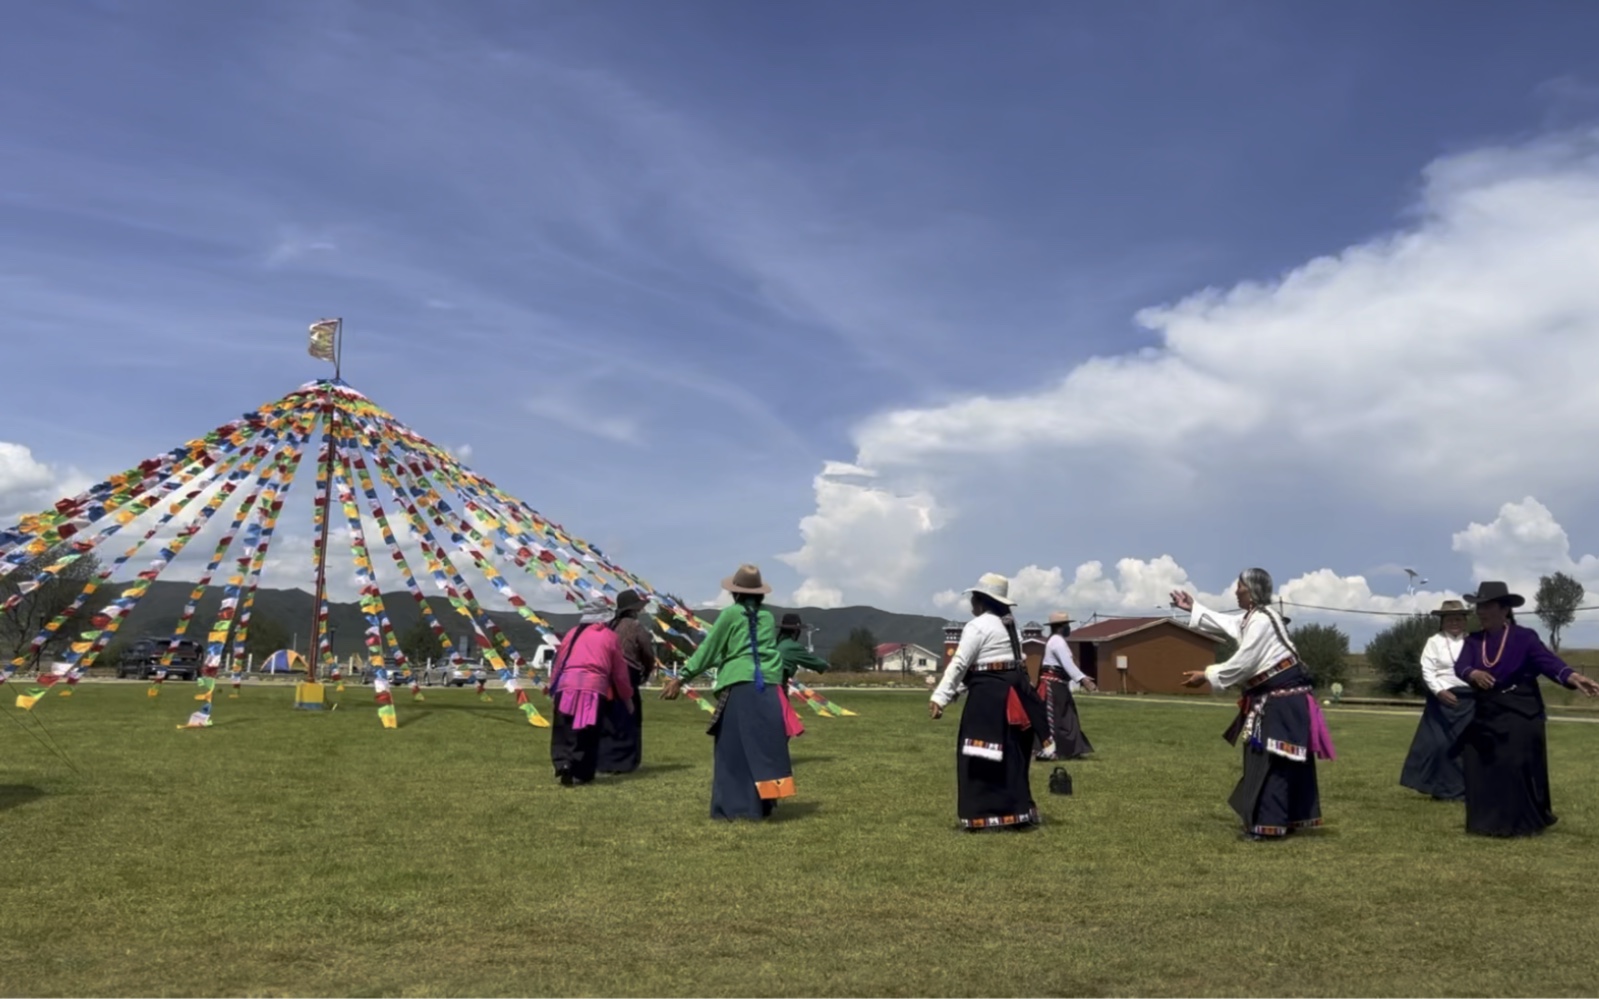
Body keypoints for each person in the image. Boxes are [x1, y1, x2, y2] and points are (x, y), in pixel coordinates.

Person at [1172, 568, 1336, 840]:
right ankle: (1285, 819)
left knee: (1272, 761)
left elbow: (1244, 662)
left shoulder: (1261, 620)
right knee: (1281, 760)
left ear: (1252, 590)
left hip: (1281, 702)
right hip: (1280, 700)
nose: (1235, 591)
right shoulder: (1254, 618)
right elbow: (1228, 624)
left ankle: (1269, 826)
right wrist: (1194, 609)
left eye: (1240, 586)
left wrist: (1207, 675)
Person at [1452, 581, 1599, 836]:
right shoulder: (1474, 641)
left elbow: (1548, 662)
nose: (1480, 612)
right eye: (1478, 607)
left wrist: (1573, 677)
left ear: (1504, 609)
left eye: (1486, 606)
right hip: (1488, 711)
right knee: (1478, 760)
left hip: (1520, 709)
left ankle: (1520, 822)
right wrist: (1473, 672)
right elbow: (1461, 667)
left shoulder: (1524, 638)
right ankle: (1485, 822)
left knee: (1514, 762)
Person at [661, 564, 795, 820]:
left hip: (741, 686)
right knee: (763, 748)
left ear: (735, 592)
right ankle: (763, 805)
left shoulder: (731, 615)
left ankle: (736, 808)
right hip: (769, 688)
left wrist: (682, 677)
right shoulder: (767, 617)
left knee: (733, 750)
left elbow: (709, 649)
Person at [929, 573, 1050, 831]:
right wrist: (954, 692)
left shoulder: (978, 626)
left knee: (979, 753)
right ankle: (1017, 814)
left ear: (981, 600)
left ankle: (982, 816)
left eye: (973, 598)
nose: (971, 604)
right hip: (1014, 694)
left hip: (989, 699)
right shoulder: (1010, 626)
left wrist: (940, 696)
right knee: (1010, 755)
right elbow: (985, 667)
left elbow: (961, 663)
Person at [546, 600, 634, 787]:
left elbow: (560, 661)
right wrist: (627, 697)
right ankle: (582, 770)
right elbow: (619, 671)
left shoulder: (572, 634)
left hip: (567, 685)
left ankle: (563, 763)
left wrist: (552, 685)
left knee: (564, 728)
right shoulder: (610, 637)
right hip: (593, 688)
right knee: (587, 730)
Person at [1398, 599, 1474, 801]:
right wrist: (1439, 691)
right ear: (1442, 621)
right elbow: (1428, 670)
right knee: (1439, 745)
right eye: (1450, 619)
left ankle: (1465, 789)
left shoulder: (1474, 641)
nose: (1454, 622)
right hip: (1441, 699)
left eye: (1458, 618)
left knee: (1467, 746)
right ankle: (1439, 788)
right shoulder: (1434, 642)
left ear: (1465, 621)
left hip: (1470, 700)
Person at [596, 589, 657, 774]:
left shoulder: (609, 626)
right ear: (634, 609)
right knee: (628, 715)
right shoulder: (635, 626)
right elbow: (647, 652)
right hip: (627, 674)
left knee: (608, 717)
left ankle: (604, 760)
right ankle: (624, 762)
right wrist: (647, 671)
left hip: (605, 675)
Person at [1036, 612, 1095, 761]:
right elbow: (1067, 663)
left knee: (1066, 716)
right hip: (1053, 684)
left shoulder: (1058, 641)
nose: (1069, 628)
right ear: (1060, 627)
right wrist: (1083, 679)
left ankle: (1068, 749)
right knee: (1057, 717)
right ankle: (1053, 750)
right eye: (1067, 625)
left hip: (1059, 684)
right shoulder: (1057, 641)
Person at [774, 612, 829, 737]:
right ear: (795, 631)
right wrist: (827, 665)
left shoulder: (777, 644)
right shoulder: (792, 647)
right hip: (777, 687)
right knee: (784, 726)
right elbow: (816, 663)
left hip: (767, 686)